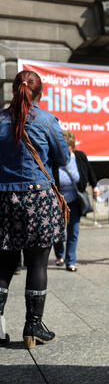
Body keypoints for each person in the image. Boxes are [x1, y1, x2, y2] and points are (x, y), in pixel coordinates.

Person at [0, 70, 70, 348]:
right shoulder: (46, 120)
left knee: (4, 262)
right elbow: (63, 157)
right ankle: (33, 327)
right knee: (37, 263)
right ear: (39, 93)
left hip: (3, 198)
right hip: (38, 198)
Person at [53, 130, 99, 272]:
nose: (62, 149)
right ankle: (60, 254)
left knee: (73, 231)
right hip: (58, 201)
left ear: (71, 146)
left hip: (75, 200)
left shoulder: (79, 156)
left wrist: (95, 185)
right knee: (57, 231)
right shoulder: (54, 160)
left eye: (65, 146)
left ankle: (70, 261)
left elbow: (89, 171)